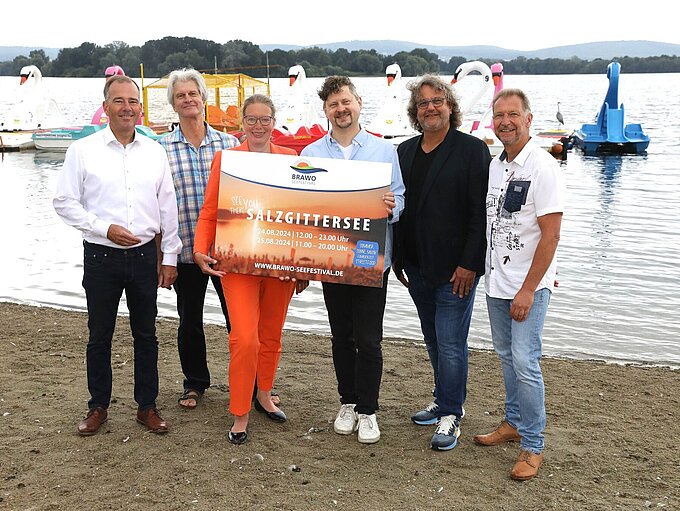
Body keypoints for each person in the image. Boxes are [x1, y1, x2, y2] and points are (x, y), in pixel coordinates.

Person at [53, 75, 181, 436]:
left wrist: (170, 256)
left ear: (141, 108)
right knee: (99, 334)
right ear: (106, 107)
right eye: (119, 100)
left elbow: (167, 207)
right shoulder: (83, 150)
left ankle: (147, 406)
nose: (127, 107)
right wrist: (102, 228)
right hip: (101, 257)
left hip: (143, 258)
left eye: (133, 101)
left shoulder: (155, 151)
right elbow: (64, 202)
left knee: (147, 334)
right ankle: (98, 406)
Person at [193, 94, 305, 445]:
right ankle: (240, 411)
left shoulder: (292, 159)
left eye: (265, 119)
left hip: (279, 266)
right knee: (245, 338)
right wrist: (199, 250)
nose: (258, 126)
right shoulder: (226, 159)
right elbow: (210, 210)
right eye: (252, 119)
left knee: (271, 335)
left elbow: (302, 218)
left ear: (275, 122)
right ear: (242, 123)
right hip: (237, 265)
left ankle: (264, 394)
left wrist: (304, 266)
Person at [300, 76, 405, 444]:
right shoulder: (312, 153)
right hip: (331, 260)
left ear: (358, 102)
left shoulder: (383, 151)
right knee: (341, 336)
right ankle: (348, 402)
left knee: (370, 339)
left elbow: (400, 198)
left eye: (346, 102)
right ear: (326, 110)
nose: (341, 110)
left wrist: (392, 208)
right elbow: (303, 208)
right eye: (333, 105)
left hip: (372, 258)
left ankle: (369, 411)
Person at [393, 74, 491, 451]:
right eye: (423, 103)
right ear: (415, 113)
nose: (430, 107)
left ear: (450, 106)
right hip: (416, 266)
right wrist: (398, 257)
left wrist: (470, 263)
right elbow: (399, 207)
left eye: (437, 100)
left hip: (456, 270)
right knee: (433, 338)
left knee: (451, 342)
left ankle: (452, 412)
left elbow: (479, 213)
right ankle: (442, 400)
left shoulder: (471, 150)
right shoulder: (404, 151)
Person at [472, 88, 565, 481]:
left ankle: (533, 445)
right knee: (507, 357)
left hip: (528, 286)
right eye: (499, 115)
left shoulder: (543, 167)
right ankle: (512, 423)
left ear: (529, 118)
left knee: (526, 362)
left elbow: (551, 236)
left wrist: (529, 289)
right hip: (497, 282)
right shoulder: (497, 165)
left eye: (513, 114)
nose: (505, 121)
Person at [158, 68, 238, 410]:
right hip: (187, 251)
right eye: (181, 96)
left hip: (229, 252)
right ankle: (195, 383)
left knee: (238, 321)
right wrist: (165, 256)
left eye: (193, 93)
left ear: (203, 98)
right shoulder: (160, 148)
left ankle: (248, 382)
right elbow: (155, 206)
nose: (188, 99)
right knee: (189, 321)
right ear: (173, 104)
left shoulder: (230, 144)